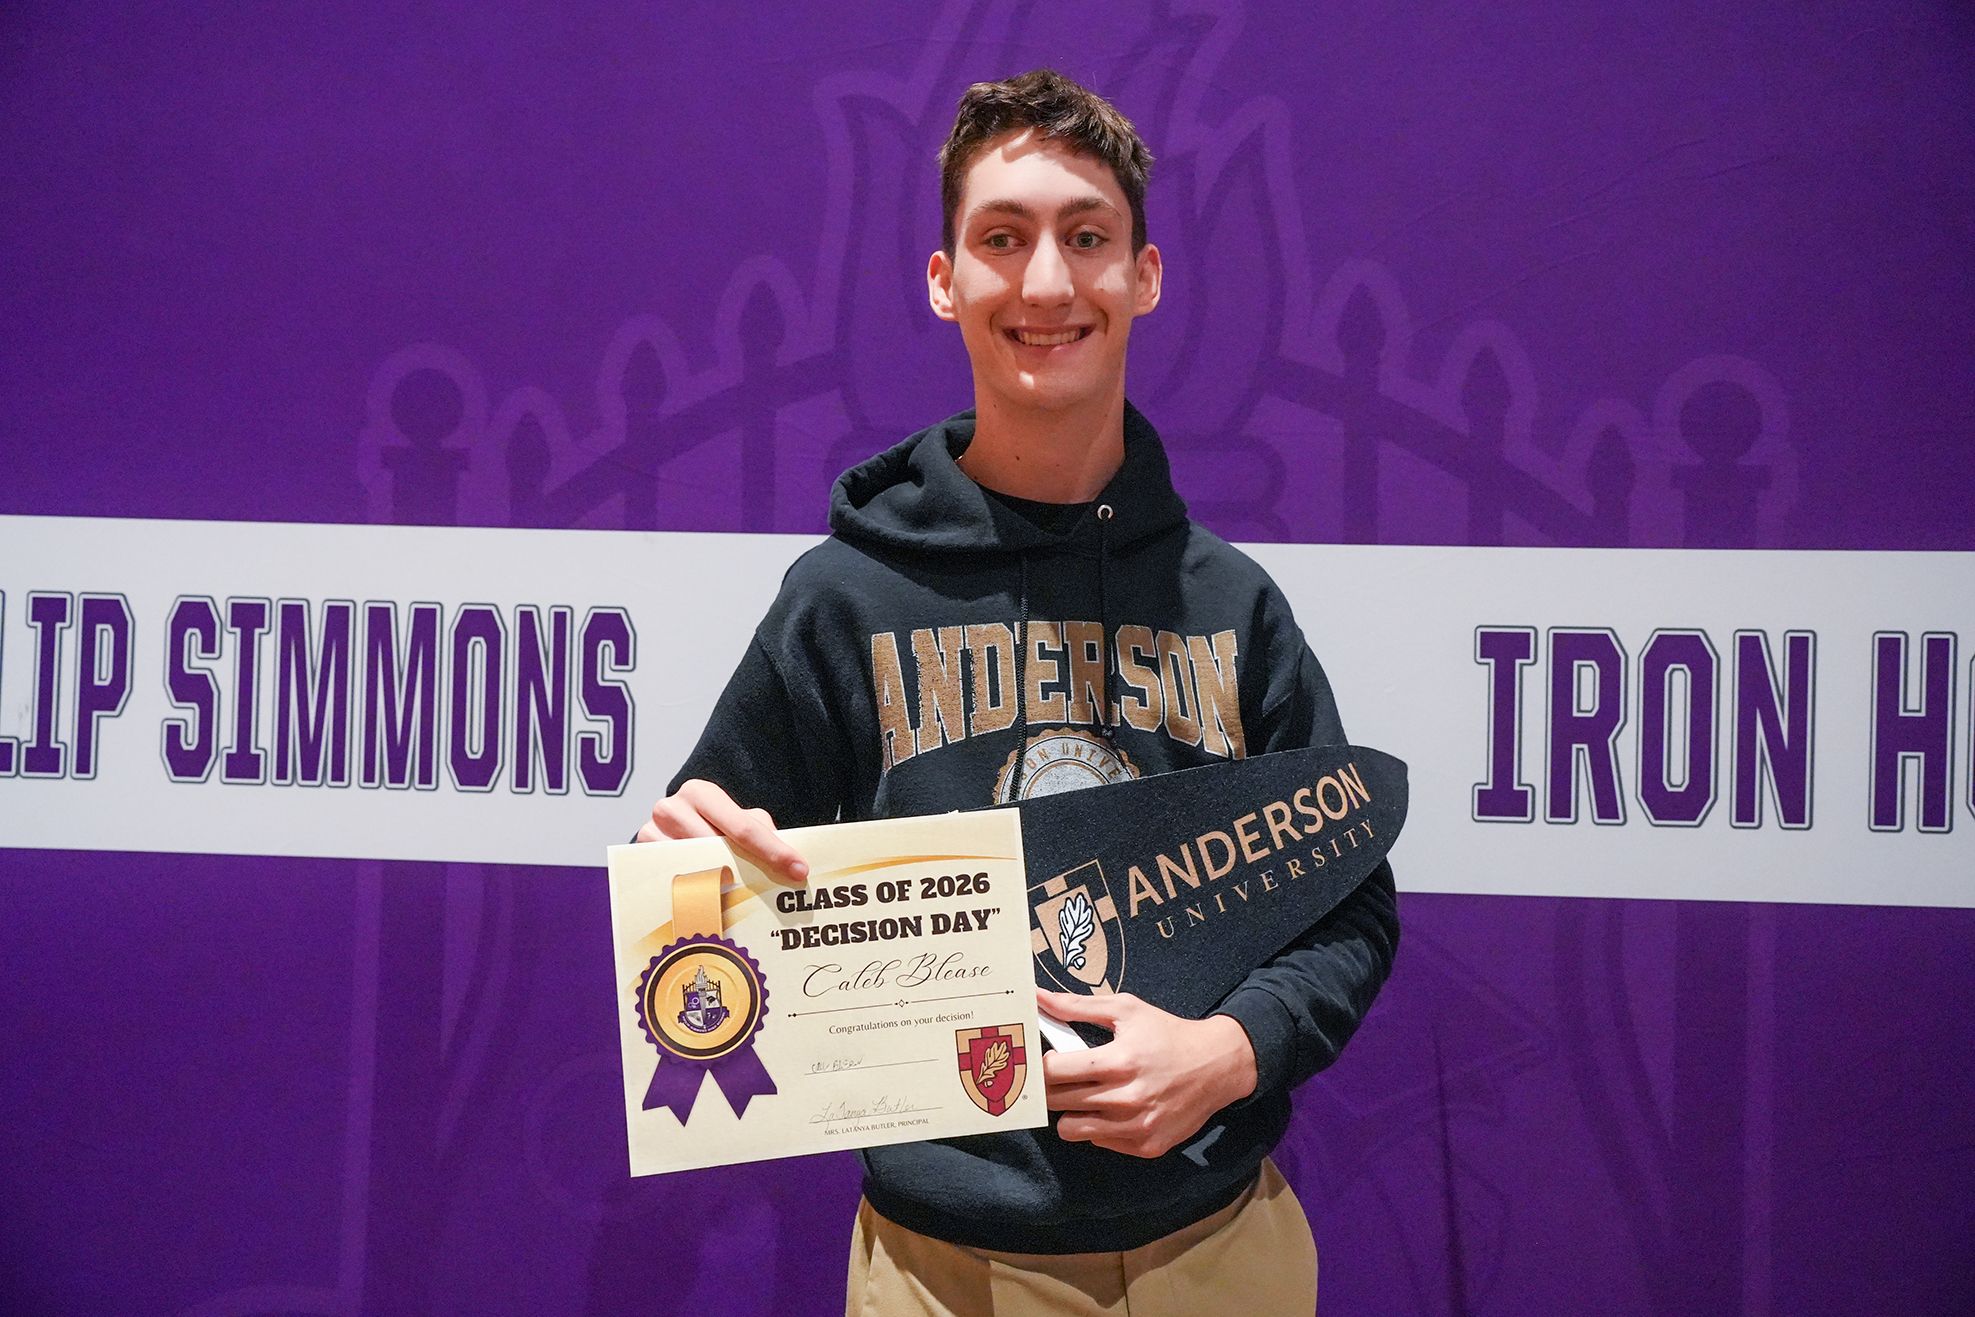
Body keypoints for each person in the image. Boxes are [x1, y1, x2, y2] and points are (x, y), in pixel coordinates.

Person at [638, 69, 1399, 1317]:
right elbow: (695, 906)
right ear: (944, 282)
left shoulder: (1232, 605)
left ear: (1144, 276)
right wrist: (691, 870)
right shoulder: (845, 600)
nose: (1046, 283)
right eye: (1002, 238)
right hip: (943, 1269)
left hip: (1218, 1254)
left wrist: (1229, 1052)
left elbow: (1348, 904)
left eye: (1087, 237)